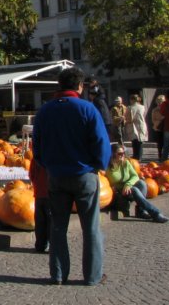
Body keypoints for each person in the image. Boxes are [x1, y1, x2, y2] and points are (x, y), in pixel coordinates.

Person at [33, 67, 111, 286]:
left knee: (57, 227)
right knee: (91, 228)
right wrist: (99, 165)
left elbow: (36, 147)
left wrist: (47, 165)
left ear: (59, 85)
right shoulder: (87, 109)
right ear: (79, 86)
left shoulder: (45, 111)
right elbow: (101, 142)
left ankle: (58, 274)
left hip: (56, 176)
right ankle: (93, 276)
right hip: (84, 174)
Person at [106, 143, 168, 222]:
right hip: (116, 194)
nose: (123, 155)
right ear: (113, 154)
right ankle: (156, 213)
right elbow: (106, 182)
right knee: (134, 189)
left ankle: (140, 210)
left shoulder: (125, 163)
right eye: (120, 153)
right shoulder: (107, 167)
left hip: (127, 190)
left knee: (142, 183)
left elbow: (135, 176)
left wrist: (128, 185)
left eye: (124, 153)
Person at [29, 157, 51, 253]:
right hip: (51, 194)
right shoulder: (53, 156)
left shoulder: (37, 157)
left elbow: (31, 174)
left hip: (39, 193)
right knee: (50, 221)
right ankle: (52, 244)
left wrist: (36, 183)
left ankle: (40, 245)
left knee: (40, 221)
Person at [126, 94, 147, 161]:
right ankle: (140, 157)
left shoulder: (129, 108)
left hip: (133, 125)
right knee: (140, 142)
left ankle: (136, 157)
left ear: (132, 100)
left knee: (134, 142)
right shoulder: (142, 107)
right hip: (141, 125)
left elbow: (129, 118)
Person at [160, 89, 169, 162]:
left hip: (167, 127)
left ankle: (164, 160)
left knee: (166, 145)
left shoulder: (164, 104)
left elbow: (162, 113)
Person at [151, 95, 166, 161]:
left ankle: (165, 156)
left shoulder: (167, 109)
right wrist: (160, 120)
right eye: (159, 101)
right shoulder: (155, 110)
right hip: (158, 127)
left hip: (166, 127)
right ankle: (160, 155)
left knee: (166, 142)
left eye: (162, 101)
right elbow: (153, 119)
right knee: (160, 143)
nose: (160, 103)